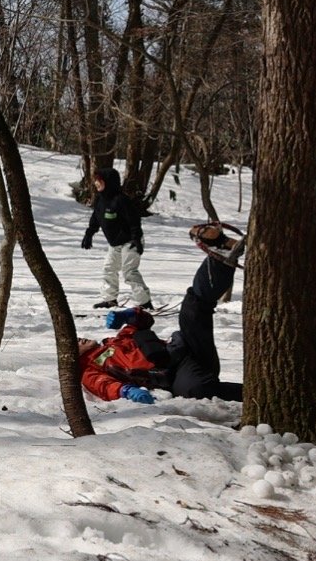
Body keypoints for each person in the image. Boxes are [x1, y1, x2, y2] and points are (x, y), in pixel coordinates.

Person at [163, 222, 245, 402]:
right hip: (176, 374)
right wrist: (127, 390)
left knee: (194, 309)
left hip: (179, 352)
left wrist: (130, 317)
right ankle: (266, 396)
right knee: (198, 390)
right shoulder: (99, 369)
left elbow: (140, 330)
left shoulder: (110, 347)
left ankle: (221, 253)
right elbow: (108, 386)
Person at [81, 165, 150, 309]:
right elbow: (96, 217)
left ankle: (144, 302)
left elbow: (134, 220)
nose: (96, 183)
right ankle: (110, 300)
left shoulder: (121, 200)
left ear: (108, 182)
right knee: (109, 269)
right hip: (115, 243)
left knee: (129, 271)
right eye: (96, 181)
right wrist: (89, 233)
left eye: (99, 181)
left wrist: (136, 238)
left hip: (131, 241)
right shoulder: (100, 200)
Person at [77, 322, 163, 405]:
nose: (79, 339)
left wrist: (130, 316)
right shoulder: (90, 367)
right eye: (75, 343)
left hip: (166, 349)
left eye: (76, 338)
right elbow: (103, 385)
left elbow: (142, 323)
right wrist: (125, 391)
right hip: (160, 371)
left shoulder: (111, 342)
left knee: (141, 335)